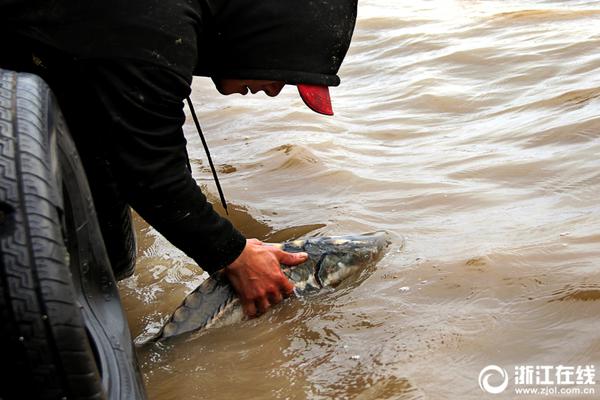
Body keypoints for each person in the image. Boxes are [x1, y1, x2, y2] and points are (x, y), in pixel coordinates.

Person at [0, 0, 358, 318]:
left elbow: (145, 140)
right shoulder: (148, 24)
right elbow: (149, 169)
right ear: (265, 37)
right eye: (284, 75)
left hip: (55, 57)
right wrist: (233, 254)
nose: (275, 90)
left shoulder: (169, 24)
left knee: (113, 255)